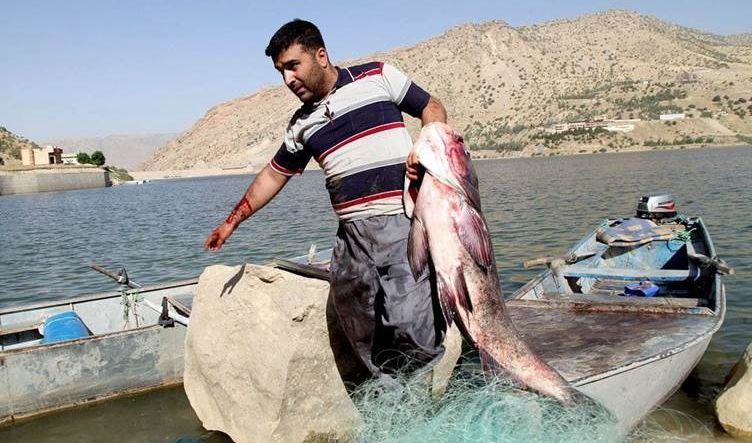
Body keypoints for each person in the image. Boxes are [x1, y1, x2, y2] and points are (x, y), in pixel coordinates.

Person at [205, 19, 448, 387]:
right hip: (350, 239)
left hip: (402, 221)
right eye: (281, 71)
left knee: (414, 322)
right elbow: (272, 176)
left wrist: (426, 144)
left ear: (320, 55)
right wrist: (231, 222)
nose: (288, 79)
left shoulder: (377, 76)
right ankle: (386, 392)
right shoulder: (301, 125)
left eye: (293, 66)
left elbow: (431, 106)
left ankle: (427, 397)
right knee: (360, 325)